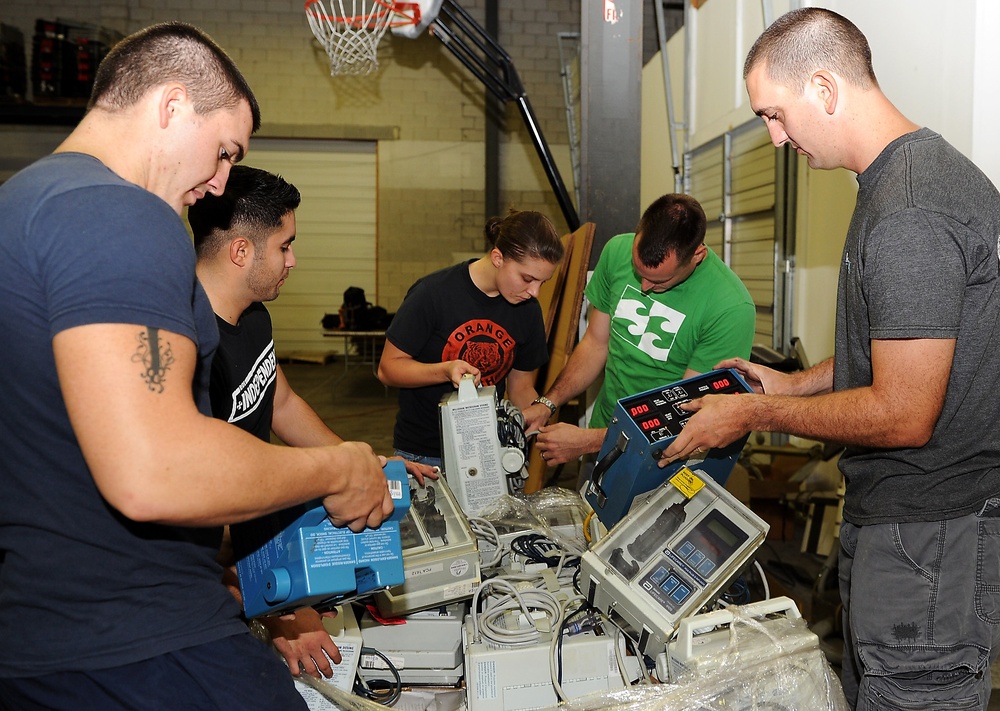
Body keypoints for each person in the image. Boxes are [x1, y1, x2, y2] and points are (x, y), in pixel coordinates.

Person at [0, 22, 393, 711]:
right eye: (223, 152)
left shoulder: (23, 202)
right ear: (172, 105)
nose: (217, 183)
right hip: (138, 638)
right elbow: (156, 468)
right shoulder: (122, 211)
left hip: (44, 636)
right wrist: (343, 466)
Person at [661, 8, 1000, 710]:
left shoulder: (910, 209)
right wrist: (793, 382)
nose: (775, 138)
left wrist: (758, 410)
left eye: (775, 115)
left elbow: (905, 410)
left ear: (824, 87)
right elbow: (898, 352)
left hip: (930, 541)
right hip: (913, 530)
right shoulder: (904, 178)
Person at [189, 164, 435, 681]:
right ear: (241, 251)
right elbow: (211, 493)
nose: (293, 260)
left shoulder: (253, 314)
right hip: (194, 565)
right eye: (285, 245)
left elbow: (279, 400)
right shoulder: (190, 346)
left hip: (251, 522)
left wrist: (359, 462)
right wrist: (279, 610)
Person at [531, 193, 756, 466]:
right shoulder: (617, 251)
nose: (645, 288)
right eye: (639, 273)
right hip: (603, 437)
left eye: (659, 281)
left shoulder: (729, 308)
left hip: (665, 460)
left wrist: (587, 440)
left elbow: (687, 419)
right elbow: (595, 344)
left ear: (697, 255)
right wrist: (549, 403)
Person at [377, 209, 565, 470]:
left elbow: (520, 386)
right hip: (424, 456)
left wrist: (538, 422)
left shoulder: (527, 309)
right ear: (498, 258)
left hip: (486, 453)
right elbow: (388, 369)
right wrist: (445, 370)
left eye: (543, 282)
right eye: (528, 279)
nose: (534, 292)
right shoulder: (432, 294)